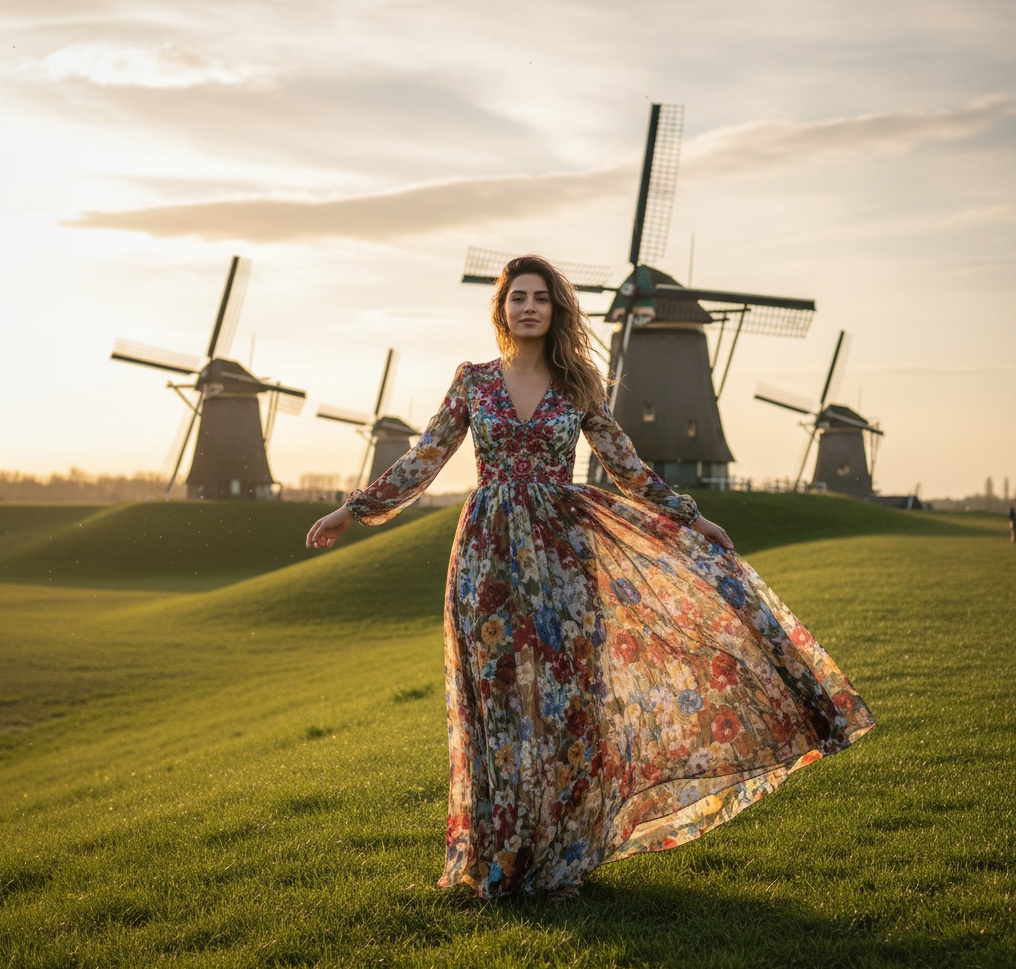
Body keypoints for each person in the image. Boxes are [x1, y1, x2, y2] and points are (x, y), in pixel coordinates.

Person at [307, 255, 875, 900]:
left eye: (540, 297)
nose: (527, 306)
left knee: (567, 705)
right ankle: (501, 860)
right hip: (487, 558)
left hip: (564, 556)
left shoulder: (580, 385)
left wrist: (691, 519)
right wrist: (354, 511)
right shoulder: (472, 381)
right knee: (499, 709)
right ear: (502, 309)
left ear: (557, 310)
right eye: (516, 296)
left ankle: (564, 860)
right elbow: (426, 455)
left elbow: (628, 468)